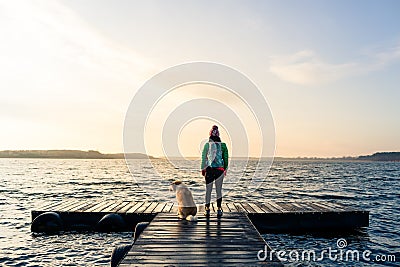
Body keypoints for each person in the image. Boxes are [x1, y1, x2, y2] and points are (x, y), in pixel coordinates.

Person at [201, 125, 228, 217]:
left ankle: (207, 209)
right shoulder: (223, 145)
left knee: (208, 190)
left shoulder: (207, 145)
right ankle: (219, 209)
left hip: (209, 169)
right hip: (219, 170)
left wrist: (203, 168)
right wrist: (225, 169)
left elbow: (204, 157)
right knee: (218, 190)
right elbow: (225, 158)